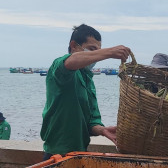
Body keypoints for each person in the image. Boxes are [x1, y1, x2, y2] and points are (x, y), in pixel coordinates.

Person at [40, 24, 130, 160]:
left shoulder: (88, 78)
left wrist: (103, 130)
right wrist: (109, 52)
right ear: (74, 46)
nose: (95, 56)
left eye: (97, 50)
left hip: (80, 153)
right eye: (92, 50)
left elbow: (91, 122)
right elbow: (71, 62)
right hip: (56, 154)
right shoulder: (60, 69)